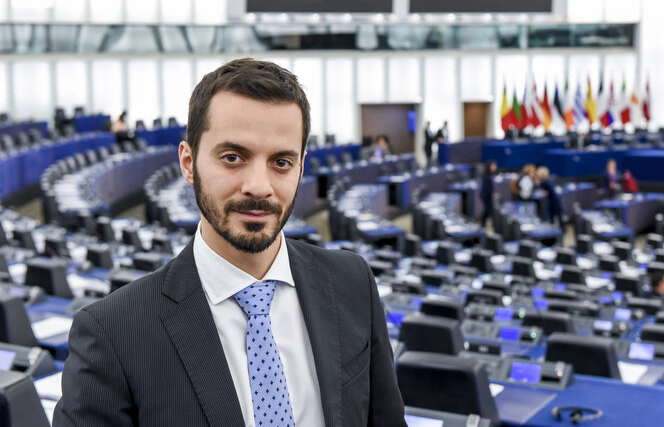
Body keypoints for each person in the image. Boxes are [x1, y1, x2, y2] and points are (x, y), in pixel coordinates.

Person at [54, 59, 406, 426]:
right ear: (189, 164)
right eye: (233, 157)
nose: (259, 186)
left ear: (302, 165)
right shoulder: (113, 333)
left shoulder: (352, 283)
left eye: (281, 162)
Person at [480, 160, 497, 227]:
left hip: (488, 195)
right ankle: (483, 224)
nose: (495, 167)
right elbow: (486, 187)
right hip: (486, 195)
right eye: (494, 165)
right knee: (487, 210)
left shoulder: (490, 174)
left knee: (489, 210)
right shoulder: (486, 175)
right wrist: (491, 194)